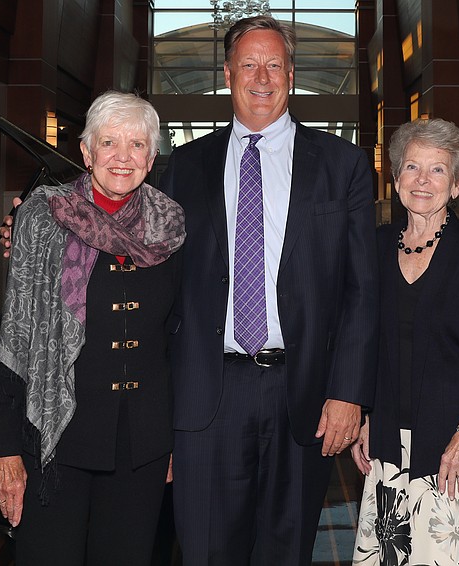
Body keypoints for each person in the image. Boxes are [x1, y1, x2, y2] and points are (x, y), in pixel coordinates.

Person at [159, 15, 378, 566]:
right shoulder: (181, 168)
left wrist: (348, 391)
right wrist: (42, 224)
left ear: (292, 73)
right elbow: (140, 259)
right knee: (207, 552)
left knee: (287, 553)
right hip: (207, 396)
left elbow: (361, 288)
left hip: (302, 397)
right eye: (249, 64)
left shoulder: (342, 165)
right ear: (228, 72)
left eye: (274, 64)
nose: (262, 76)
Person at [0, 90, 186, 565]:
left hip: (142, 445)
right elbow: (16, 334)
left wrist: (180, 438)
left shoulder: (172, 227)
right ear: (86, 151)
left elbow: (179, 340)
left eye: (137, 144)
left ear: (152, 155)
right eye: (109, 142)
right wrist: (4, 450)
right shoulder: (42, 218)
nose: (123, 157)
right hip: (57, 440)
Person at [350, 119, 459, 565]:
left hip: (455, 447)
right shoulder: (377, 245)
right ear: (395, 177)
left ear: (457, 184)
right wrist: (366, 414)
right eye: (411, 167)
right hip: (389, 447)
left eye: (438, 170)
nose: (422, 181)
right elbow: (366, 341)